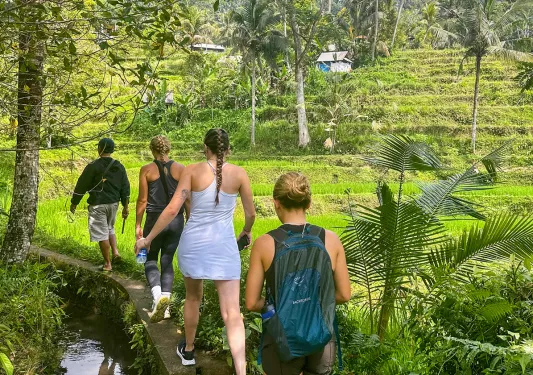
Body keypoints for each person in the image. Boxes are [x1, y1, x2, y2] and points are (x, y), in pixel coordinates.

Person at [134, 128, 256, 373]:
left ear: (205, 148)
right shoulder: (240, 174)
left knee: (193, 298)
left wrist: (147, 240)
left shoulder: (191, 170)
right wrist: (246, 231)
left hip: (194, 245)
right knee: (232, 312)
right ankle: (241, 370)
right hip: (224, 247)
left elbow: (171, 210)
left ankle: (188, 350)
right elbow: (251, 213)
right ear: (228, 149)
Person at [245, 172, 351, 375]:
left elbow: (251, 302)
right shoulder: (331, 240)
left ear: (276, 203)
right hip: (321, 337)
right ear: (309, 203)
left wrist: (279, 306)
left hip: (281, 341)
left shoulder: (264, 244)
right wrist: (312, 304)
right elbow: (344, 294)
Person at [135, 135, 186, 323]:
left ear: (152, 150)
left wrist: (138, 225)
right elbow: (187, 198)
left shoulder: (146, 170)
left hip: (155, 220)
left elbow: (142, 200)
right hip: (176, 220)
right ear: (168, 150)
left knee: (149, 258)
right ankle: (166, 305)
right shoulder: (181, 169)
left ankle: (158, 299)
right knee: (167, 260)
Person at [71, 138, 130, 272]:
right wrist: (125, 206)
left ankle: (107, 263)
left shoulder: (93, 166)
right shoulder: (119, 166)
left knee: (101, 233)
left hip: (98, 205)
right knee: (109, 227)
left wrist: (74, 202)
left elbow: (82, 185)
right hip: (114, 204)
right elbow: (125, 187)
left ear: (100, 149)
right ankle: (115, 253)